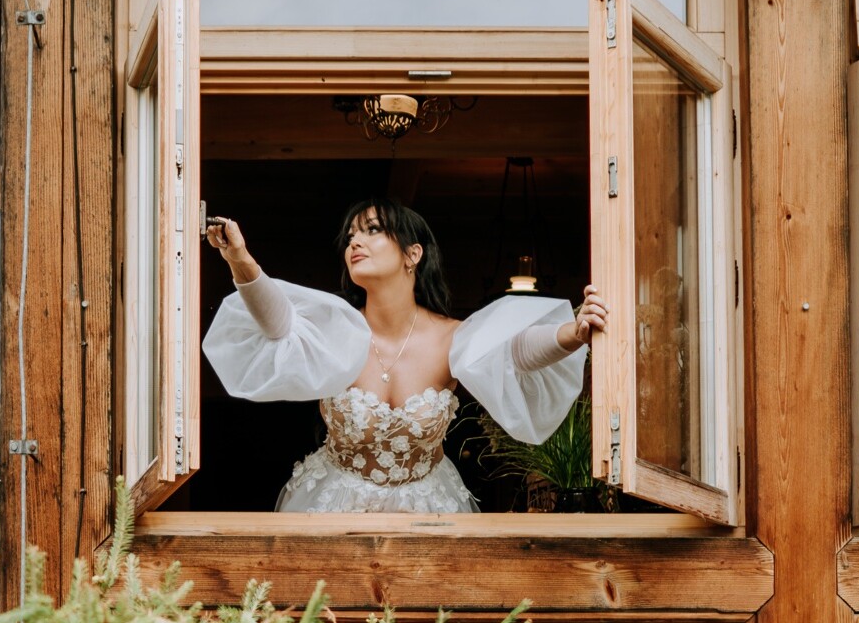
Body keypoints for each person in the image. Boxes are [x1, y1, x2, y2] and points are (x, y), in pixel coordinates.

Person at [203, 199, 605, 512]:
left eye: (372, 230)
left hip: (429, 510)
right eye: (350, 237)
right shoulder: (335, 332)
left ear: (413, 254)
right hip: (332, 508)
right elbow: (280, 325)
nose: (354, 242)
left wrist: (572, 333)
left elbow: (514, 352)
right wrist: (240, 258)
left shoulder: (452, 336)